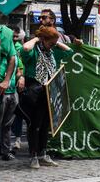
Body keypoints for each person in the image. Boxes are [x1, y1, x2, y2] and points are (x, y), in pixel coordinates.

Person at [20, 26, 73, 169]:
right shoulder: (34, 52)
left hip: (48, 92)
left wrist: (56, 43)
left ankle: (43, 154)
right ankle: (33, 156)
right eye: (51, 43)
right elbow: (24, 49)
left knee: (45, 126)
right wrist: (37, 39)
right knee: (34, 125)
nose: (53, 46)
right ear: (43, 39)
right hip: (35, 91)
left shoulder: (52, 51)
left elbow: (69, 52)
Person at [0, 25, 17, 160]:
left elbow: (13, 58)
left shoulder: (6, 33)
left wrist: (6, 80)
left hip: (7, 89)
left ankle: (5, 151)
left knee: (6, 124)